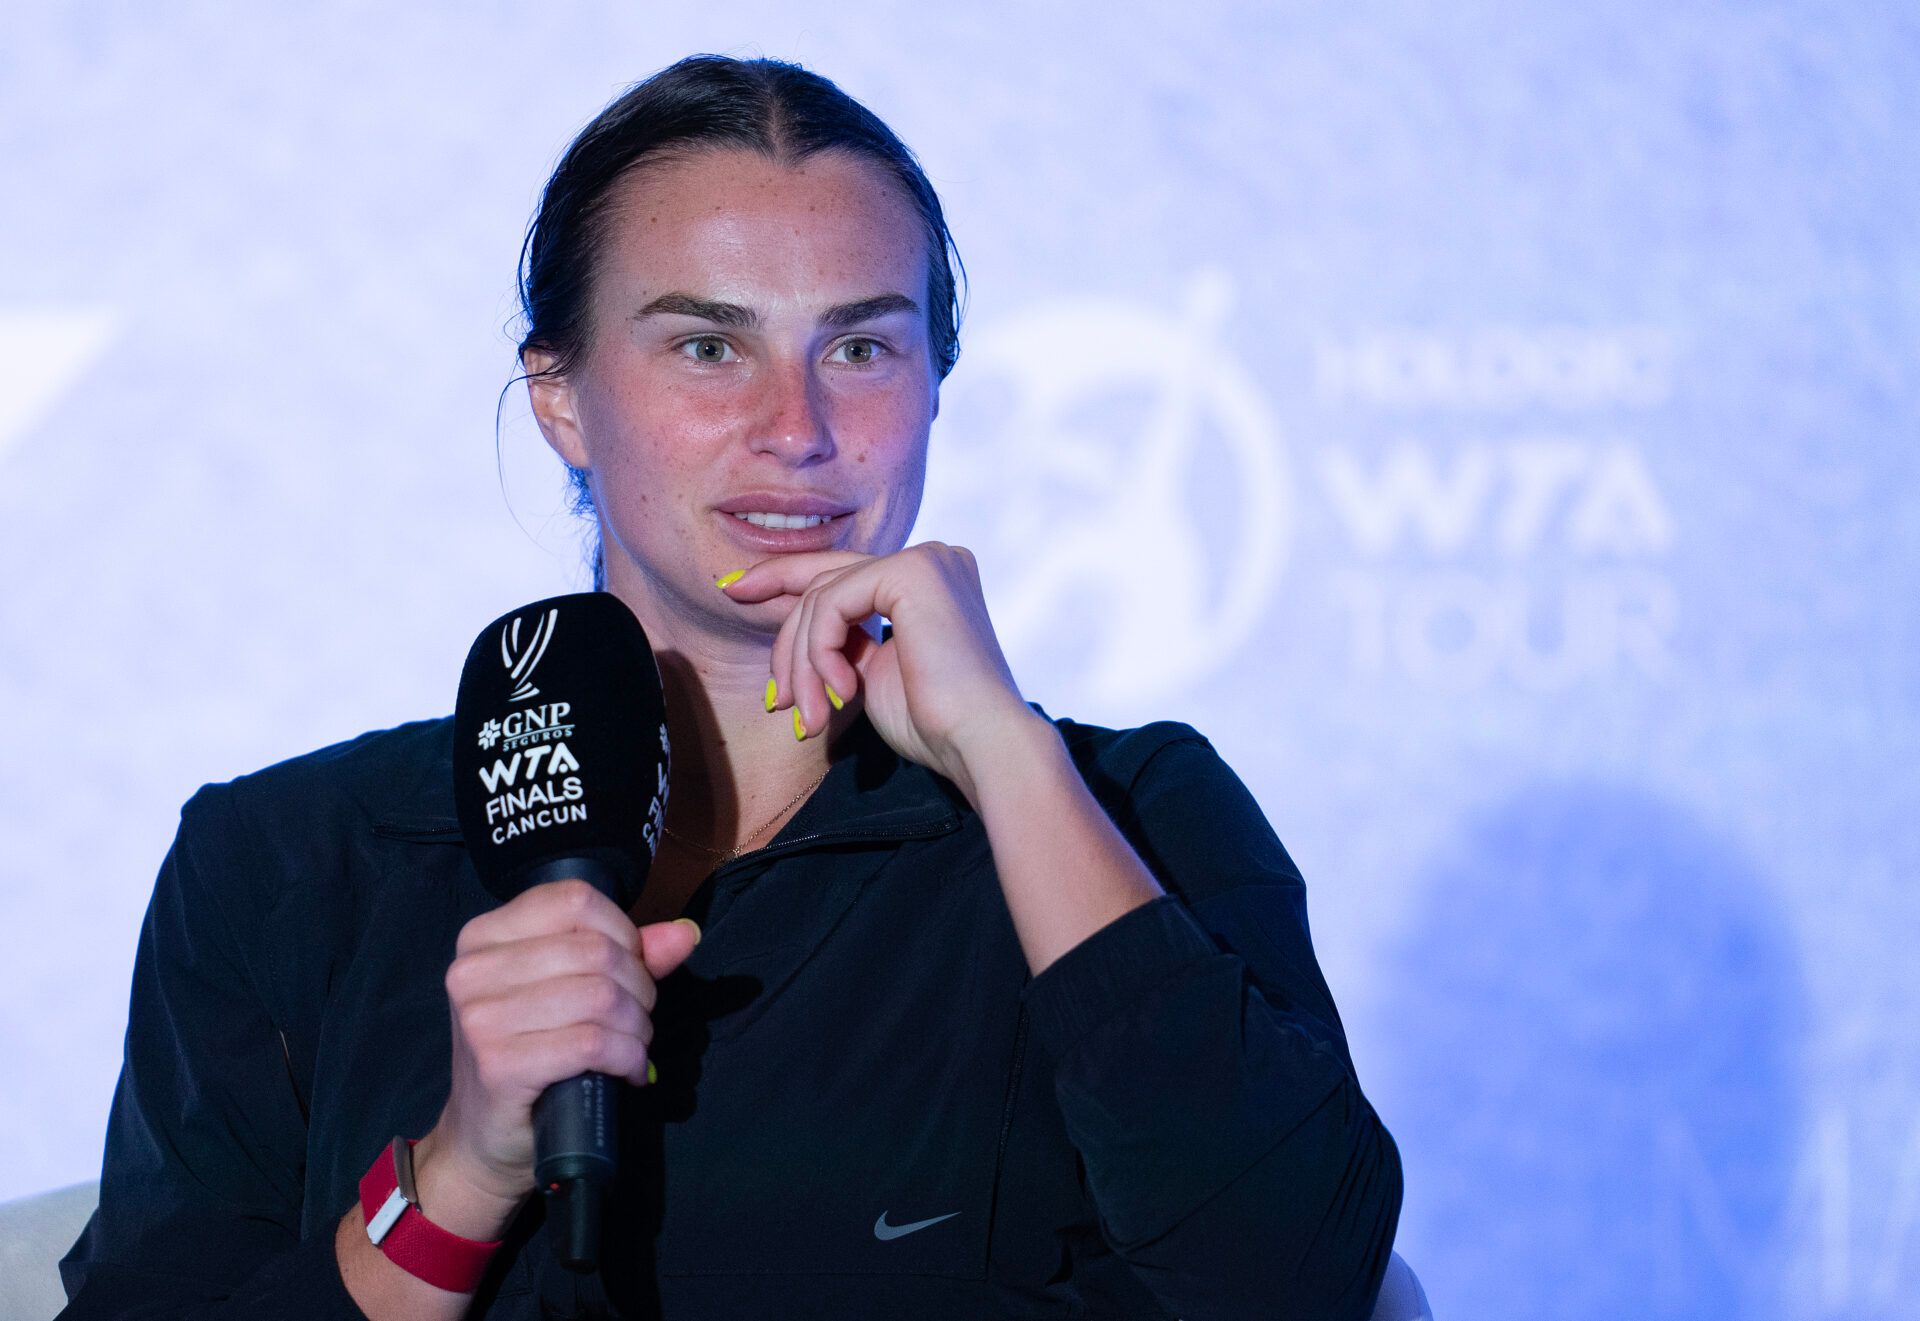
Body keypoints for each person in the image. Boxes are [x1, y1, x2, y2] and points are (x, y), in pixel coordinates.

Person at [58, 54, 1403, 1320]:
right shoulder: (294, 862)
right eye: (708, 346)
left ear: (937, 382)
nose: (798, 429)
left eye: (862, 347)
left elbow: (1302, 1281)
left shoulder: (1128, 812)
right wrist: (462, 1172)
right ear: (562, 399)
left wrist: (1004, 751)